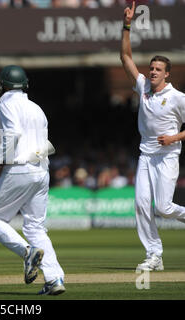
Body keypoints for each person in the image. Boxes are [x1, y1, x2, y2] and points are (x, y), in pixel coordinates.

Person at [0, 65, 65, 295]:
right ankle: (55, 279)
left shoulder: (7, 103)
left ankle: (27, 252)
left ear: (4, 85)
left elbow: (13, 134)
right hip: (41, 170)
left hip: (20, 169)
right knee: (36, 226)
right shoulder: (36, 107)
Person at [121, 1, 185, 271]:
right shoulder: (143, 86)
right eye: (152, 67)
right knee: (140, 204)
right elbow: (125, 57)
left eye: (158, 69)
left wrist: (175, 138)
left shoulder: (177, 98)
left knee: (165, 208)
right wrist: (126, 25)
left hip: (167, 155)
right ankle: (154, 255)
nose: (153, 71)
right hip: (146, 155)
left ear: (167, 74)